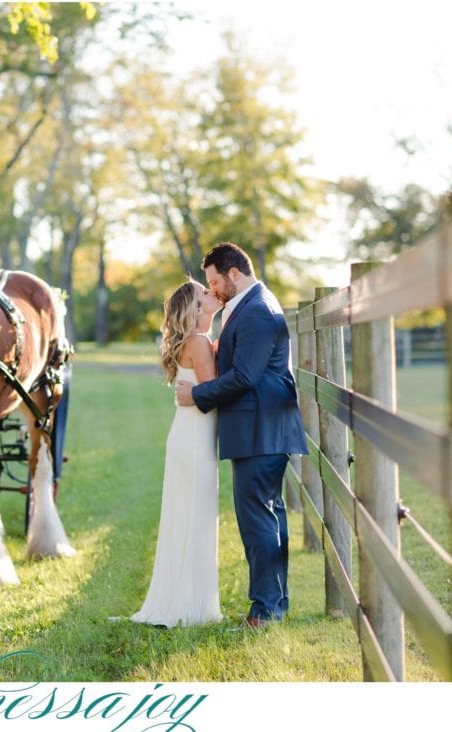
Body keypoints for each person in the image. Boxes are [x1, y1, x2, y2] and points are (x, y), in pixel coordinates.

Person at [175, 242, 307, 629]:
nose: (212, 289)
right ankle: (274, 604)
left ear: (234, 273)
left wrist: (196, 394)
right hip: (262, 429)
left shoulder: (258, 312)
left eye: (214, 281)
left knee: (258, 523)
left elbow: (245, 377)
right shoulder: (251, 306)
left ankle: (264, 611)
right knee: (269, 519)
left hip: (260, 430)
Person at [131, 278, 223, 627]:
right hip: (195, 436)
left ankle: (185, 600)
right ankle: (190, 607)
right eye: (204, 292)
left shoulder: (198, 341)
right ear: (196, 309)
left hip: (188, 432)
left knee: (187, 516)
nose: (211, 293)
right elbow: (215, 391)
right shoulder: (198, 343)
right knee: (195, 517)